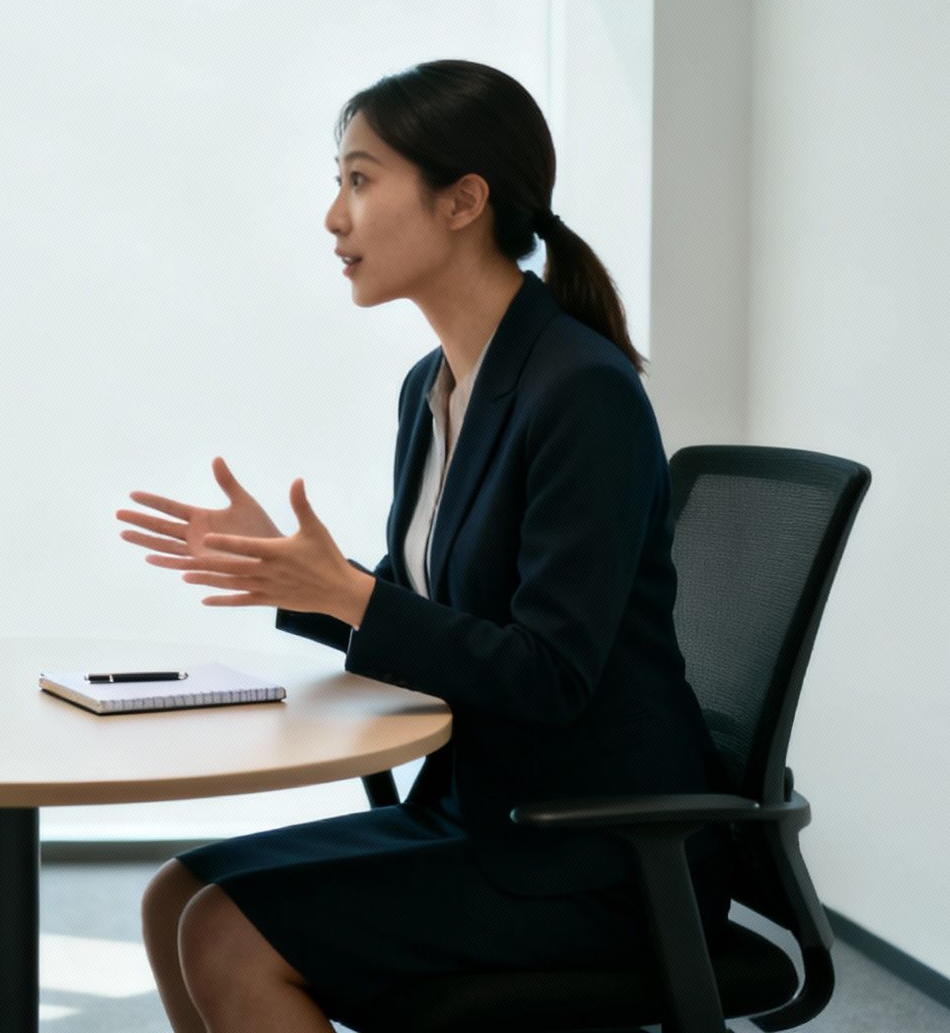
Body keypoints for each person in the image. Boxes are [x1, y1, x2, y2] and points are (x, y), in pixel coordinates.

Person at [116, 59, 728, 1031]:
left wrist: (351, 598)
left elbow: (547, 673)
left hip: (591, 849)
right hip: (479, 806)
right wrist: (299, 579)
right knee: (171, 899)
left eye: (358, 180)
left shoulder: (580, 392)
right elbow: (443, 623)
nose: (331, 217)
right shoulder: (433, 388)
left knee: (222, 931)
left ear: (461, 201)